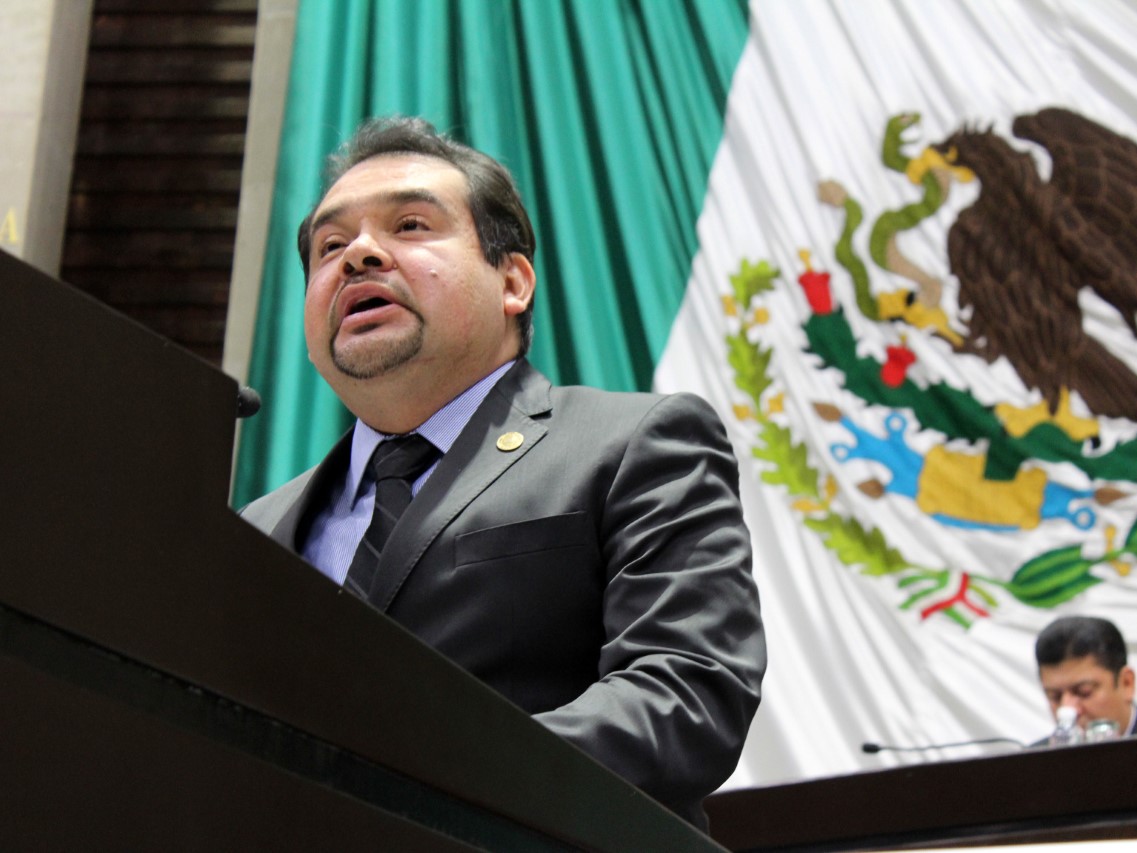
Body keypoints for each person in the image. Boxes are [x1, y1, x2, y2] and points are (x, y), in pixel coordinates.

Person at [240, 116, 766, 829]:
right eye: (331, 246)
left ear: (513, 280)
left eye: (411, 226)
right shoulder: (256, 528)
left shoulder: (635, 444)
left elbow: (684, 695)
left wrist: (415, 779)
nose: (359, 254)